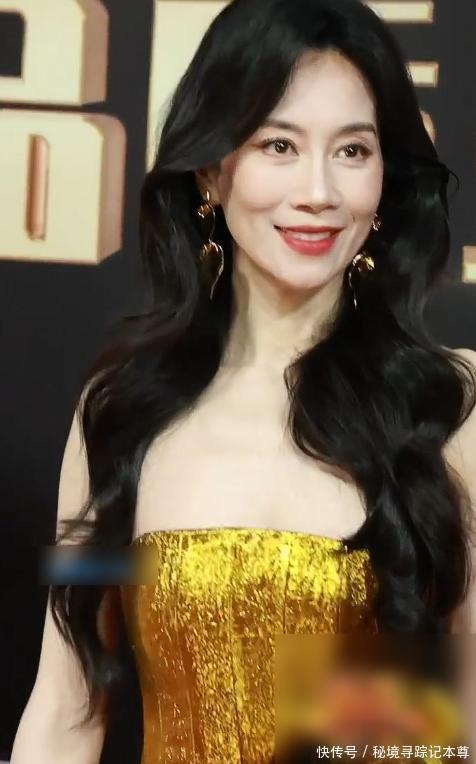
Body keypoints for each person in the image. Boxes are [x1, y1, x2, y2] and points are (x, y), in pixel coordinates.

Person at [11, 0, 476, 762]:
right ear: (211, 171)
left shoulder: (449, 405)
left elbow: (466, 714)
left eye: (352, 150)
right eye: (278, 145)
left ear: (386, 179)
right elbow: (67, 711)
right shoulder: (121, 414)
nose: (318, 191)